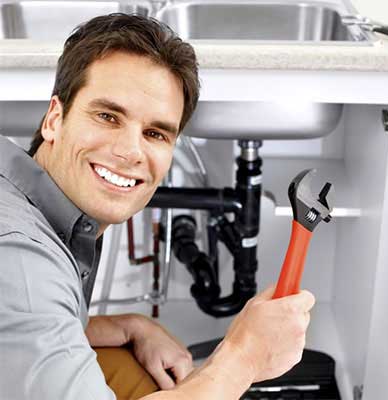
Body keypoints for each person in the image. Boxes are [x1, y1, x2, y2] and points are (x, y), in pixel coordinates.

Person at [0, 13, 315, 400]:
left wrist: (125, 325)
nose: (131, 151)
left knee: (132, 364)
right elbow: (27, 297)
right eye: (107, 116)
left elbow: (23, 326)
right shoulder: (20, 258)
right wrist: (243, 358)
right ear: (54, 118)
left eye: (154, 133)